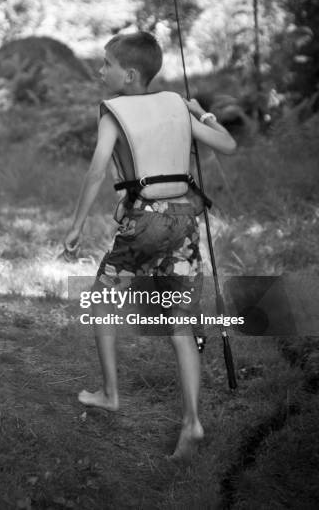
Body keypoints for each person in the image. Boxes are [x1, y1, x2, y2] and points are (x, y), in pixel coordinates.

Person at [64, 32, 236, 459]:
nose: (101, 70)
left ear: (130, 74)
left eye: (106, 64)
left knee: (101, 302)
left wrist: (76, 225)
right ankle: (192, 422)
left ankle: (109, 393)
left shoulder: (113, 113)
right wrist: (205, 116)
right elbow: (228, 146)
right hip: (184, 223)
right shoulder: (177, 105)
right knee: (181, 325)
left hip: (144, 224)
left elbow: (96, 172)